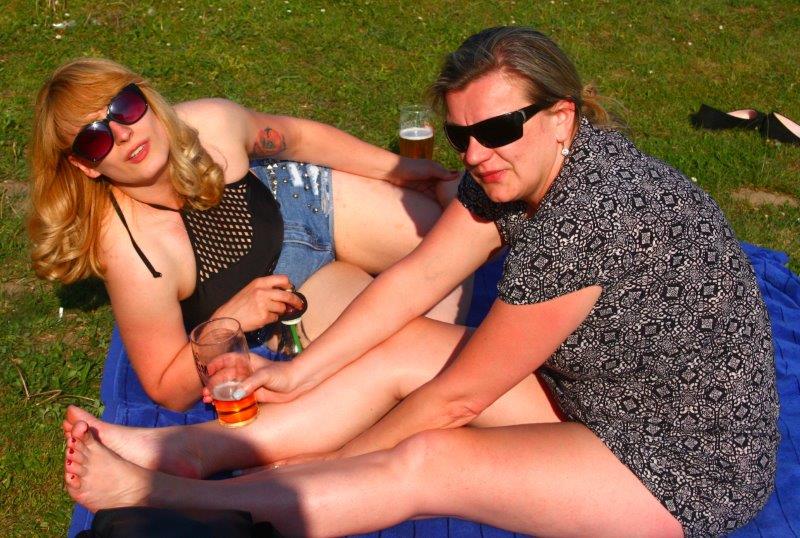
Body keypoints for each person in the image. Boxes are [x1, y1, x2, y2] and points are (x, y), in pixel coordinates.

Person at [62, 27, 779, 537]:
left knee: (428, 459)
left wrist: (328, 465)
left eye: (499, 128)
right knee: (405, 341)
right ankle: (190, 451)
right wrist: (296, 372)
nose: (478, 153)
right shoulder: (516, 169)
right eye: (462, 135)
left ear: (561, 116)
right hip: (599, 391)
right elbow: (417, 276)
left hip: (676, 463)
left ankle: (196, 496)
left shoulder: (587, 220)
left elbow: (457, 399)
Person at [29, 57, 467, 413]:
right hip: (296, 292)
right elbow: (166, 387)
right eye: (94, 140)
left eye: (123, 107)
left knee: (456, 231)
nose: (123, 134)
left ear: (144, 97)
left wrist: (399, 169)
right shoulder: (134, 253)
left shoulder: (207, 124)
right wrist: (232, 318)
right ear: (84, 165)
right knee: (408, 355)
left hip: (304, 200)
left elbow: (298, 138)